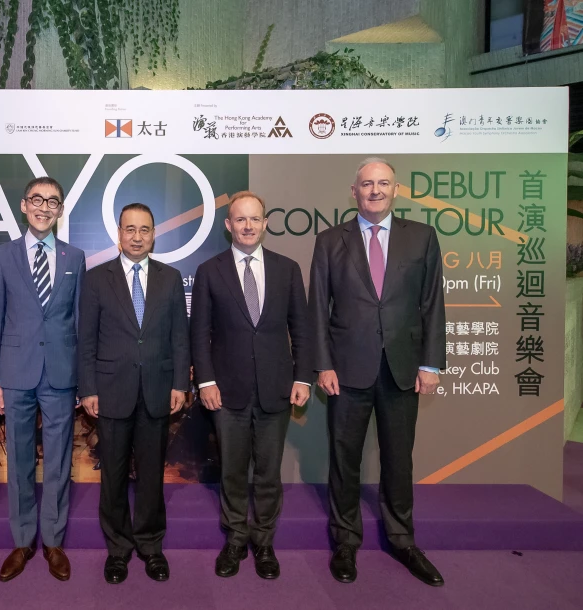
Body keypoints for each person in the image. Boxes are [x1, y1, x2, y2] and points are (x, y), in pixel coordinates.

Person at [309, 158, 446, 587]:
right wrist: (323, 363)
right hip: (346, 370)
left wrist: (430, 363)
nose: (374, 190)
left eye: (382, 183)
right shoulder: (330, 240)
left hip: (403, 368)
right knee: (344, 460)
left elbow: (432, 304)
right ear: (354, 191)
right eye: (367, 184)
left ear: (396, 190)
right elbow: (318, 309)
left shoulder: (421, 237)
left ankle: (402, 539)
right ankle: (345, 541)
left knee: (398, 459)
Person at [191, 191, 314, 580]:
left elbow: (302, 329)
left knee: (267, 471)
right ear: (229, 225)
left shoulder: (287, 268)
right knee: (231, 471)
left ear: (265, 223)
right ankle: (235, 538)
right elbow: (200, 333)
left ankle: (263, 542)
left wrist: (302, 377)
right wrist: (206, 380)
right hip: (226, 391)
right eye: (240, 220)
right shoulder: (210, 270)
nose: (248, 226)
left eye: (255, 219)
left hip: (277, 388)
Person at [78, 203, 190, 584]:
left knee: (151, 476)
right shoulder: (95, 279)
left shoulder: (171, 278)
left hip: (158, 390)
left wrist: (180, 384)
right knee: (111, 476)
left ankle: (150, 546)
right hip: (110, 392)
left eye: (145, 229)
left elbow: (179, 336)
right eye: (130, 229)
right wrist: (88, 387)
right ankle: (118, 550)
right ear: (119, 234)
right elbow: (86, 340)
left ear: (154, 234)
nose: (138, 236)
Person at [0, 177, 85, 582]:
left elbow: (78, 320)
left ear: (60, 211)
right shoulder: (3, 255)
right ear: (24, 205)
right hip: (15, 372)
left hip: (61, 373)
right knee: (20, 461)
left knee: (59, 462)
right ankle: (23, 540)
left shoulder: (74, 257)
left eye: (53, 202)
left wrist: (83, 380)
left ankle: (53, 541)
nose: (45, 207)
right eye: (37, 200)